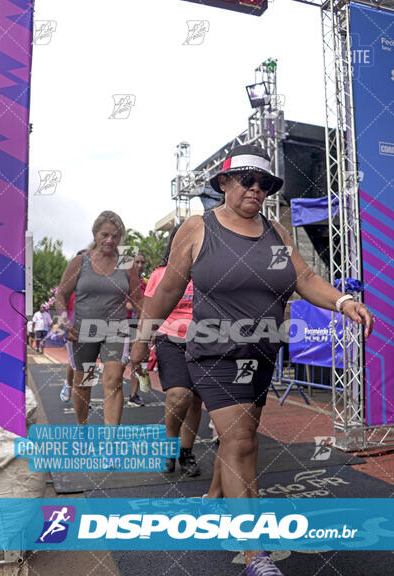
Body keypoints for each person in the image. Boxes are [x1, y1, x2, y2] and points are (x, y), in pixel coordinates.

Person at [130, 144, 374, 576]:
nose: (257, 190)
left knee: (235, 438)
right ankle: (255, 555)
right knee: (243, 442)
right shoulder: (196, 228)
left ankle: (213, 502)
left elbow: (305, 279)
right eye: (248, 180)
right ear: (224, 183)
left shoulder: (276, 233)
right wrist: (141, 341)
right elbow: (167, 290)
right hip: (214, 353)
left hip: (262, 355)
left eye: (265, 183)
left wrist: (344, 302)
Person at [55, 211, 143, 425]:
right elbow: (61, 295)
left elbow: (138, 300)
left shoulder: (126, 264)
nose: (110, 240)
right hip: (83, 331)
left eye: (115, 236)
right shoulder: (80, 262)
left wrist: (149, 330)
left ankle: (109, 445)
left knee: (113, 381)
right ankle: (83, 428)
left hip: (115, 331)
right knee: (84, 383)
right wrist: (63, 320)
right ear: (95, 234)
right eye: (105, 235)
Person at [144, 226, 202, 477]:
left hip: (204, 339)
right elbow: (149, 311)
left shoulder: (206, 272)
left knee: (196, 399)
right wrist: (144, 342)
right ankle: (170, 448)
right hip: (170, 338)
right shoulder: (159, 274)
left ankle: (187, 451)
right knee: (179, 395)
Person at [60, 250, 87, 403]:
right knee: (75, 363)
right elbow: (60, 302)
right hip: (73, 327)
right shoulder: (68, 285)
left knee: (88, 365)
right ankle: (69, 384)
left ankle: (85, 395)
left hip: (93, 328)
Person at [126, 252, 148, 407]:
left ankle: (133, 395)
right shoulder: (123, 282)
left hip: (138, 324)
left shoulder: (146, 284)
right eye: (137, 262)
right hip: (121, 323)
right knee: (116, 363)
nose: (140, 265)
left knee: (136, 359)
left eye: (142, 262)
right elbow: (125, 304)